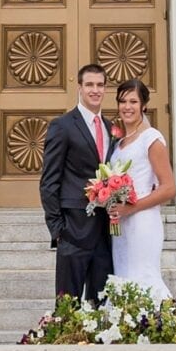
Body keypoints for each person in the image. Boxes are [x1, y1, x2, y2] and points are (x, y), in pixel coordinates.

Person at [39, 60, 117, 302]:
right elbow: (49, 181)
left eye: (100, 85)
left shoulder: (111, 127)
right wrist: (57, 228)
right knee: (67, 305)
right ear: (80, 88)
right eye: (90, 84)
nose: (95, 90)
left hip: (105, 231)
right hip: (73, 228)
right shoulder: (62, 126)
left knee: (101, 306)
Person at [105, 78, 176, 299]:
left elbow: (169, 189)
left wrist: (131, 208)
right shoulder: (118, 143)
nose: (127, 107)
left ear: (144, 105)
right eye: (123, 101)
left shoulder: (151, 139)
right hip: (120, 226)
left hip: (143, 222)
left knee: (144, 279)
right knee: (125, 279)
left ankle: (162, 329)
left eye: (133, 101)